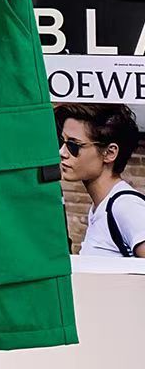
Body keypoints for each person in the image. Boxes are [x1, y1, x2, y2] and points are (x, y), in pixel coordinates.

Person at [56, 103, 145, 258]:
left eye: (73, 145)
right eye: (62, 142)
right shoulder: (100, 207)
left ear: (109, 153)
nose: (62, 152)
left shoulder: (126, 207)